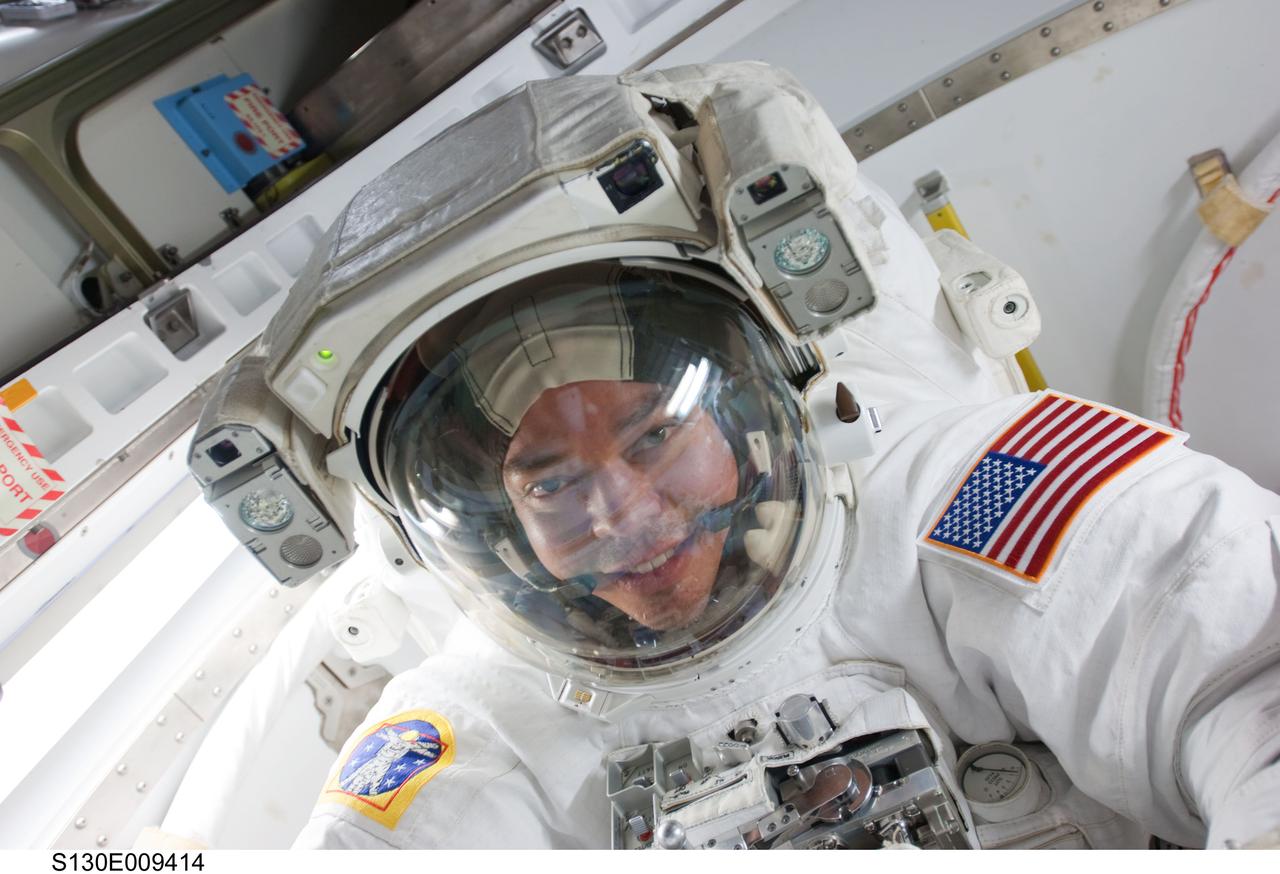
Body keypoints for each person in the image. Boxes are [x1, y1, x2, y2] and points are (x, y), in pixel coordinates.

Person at [254, 63, 1280, 849]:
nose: (618, 516)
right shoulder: (482, 712)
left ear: (753, 409)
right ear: (493, 529)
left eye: (654, 436)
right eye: (551, 483)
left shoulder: (963, 494)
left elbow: (1233, 664)